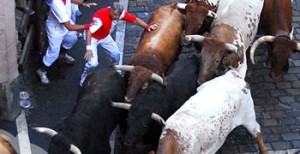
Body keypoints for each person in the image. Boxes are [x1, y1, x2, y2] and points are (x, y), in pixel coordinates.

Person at [80, 4, 157, 86]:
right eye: (115, 15)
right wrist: (89, 49)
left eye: (118, 16)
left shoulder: (118, 13)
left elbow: (134, 20)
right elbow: (89, 31)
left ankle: (114, 68)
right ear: (111, 10)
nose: (117, 17)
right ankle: (84, 76)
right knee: (93, 63)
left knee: (116, 54)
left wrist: (147, 26)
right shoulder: (100, 19)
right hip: (93, 38)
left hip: (105, 36)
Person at [36, 0, 97, 85]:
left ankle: (63, 54)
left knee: (72, 39)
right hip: (56, 29)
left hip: (66, 24)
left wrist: (82, 4)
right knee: (53, 53)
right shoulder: (56, 4)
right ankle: (42, 71)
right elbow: (69, 27)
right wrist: (87, 26)